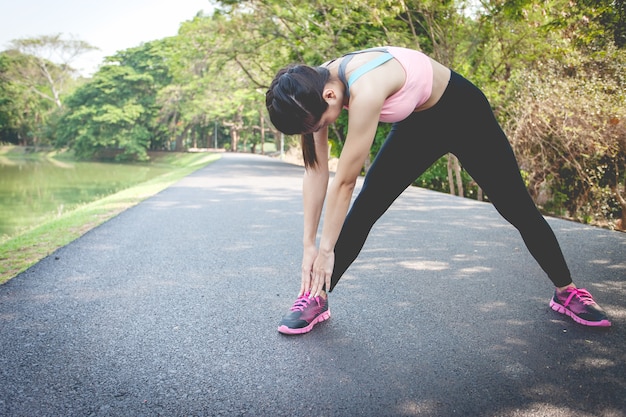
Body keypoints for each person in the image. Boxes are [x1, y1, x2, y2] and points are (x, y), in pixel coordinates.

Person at [265, 46, 612, 335]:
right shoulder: (310, 90)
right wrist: (309, 244)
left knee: (517, 207)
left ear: (329, 95)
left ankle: (567, 292)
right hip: (418, 124)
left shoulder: (365, 87)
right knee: (366, 208)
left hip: (463, 112)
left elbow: (344, 180)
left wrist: (327, 250)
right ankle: (316, 296)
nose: (324, 128)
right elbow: (316, 170)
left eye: (323, 123)